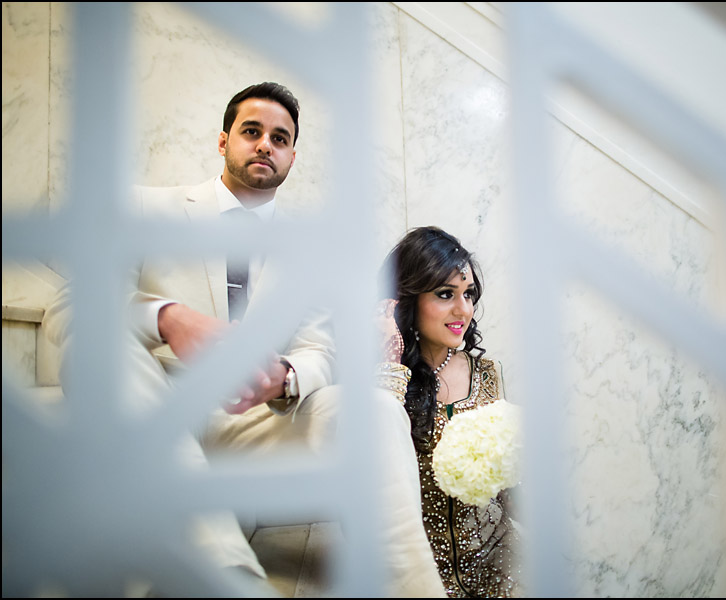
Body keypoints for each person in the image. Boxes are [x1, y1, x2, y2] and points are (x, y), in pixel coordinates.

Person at [42, 82, 445, 597]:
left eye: (280, 138)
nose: (265, 145)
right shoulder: (147, 208)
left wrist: (286, 377)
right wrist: (169, 318)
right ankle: (227, 572)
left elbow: (320, 350)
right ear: (223, 140)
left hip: (255, 422)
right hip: (152, 409)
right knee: (96, 346)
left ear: (292, 156)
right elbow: (70, 305)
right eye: (251, 131)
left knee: (376, 410)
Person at [378, 226, 523, 598]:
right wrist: (387, 365)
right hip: (419, 580)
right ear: (406, 300)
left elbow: (509, 491)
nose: (463, 309)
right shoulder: (382, 384)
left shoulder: (487, 374)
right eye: (445, 294)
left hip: (503, 564)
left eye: (468, 294)